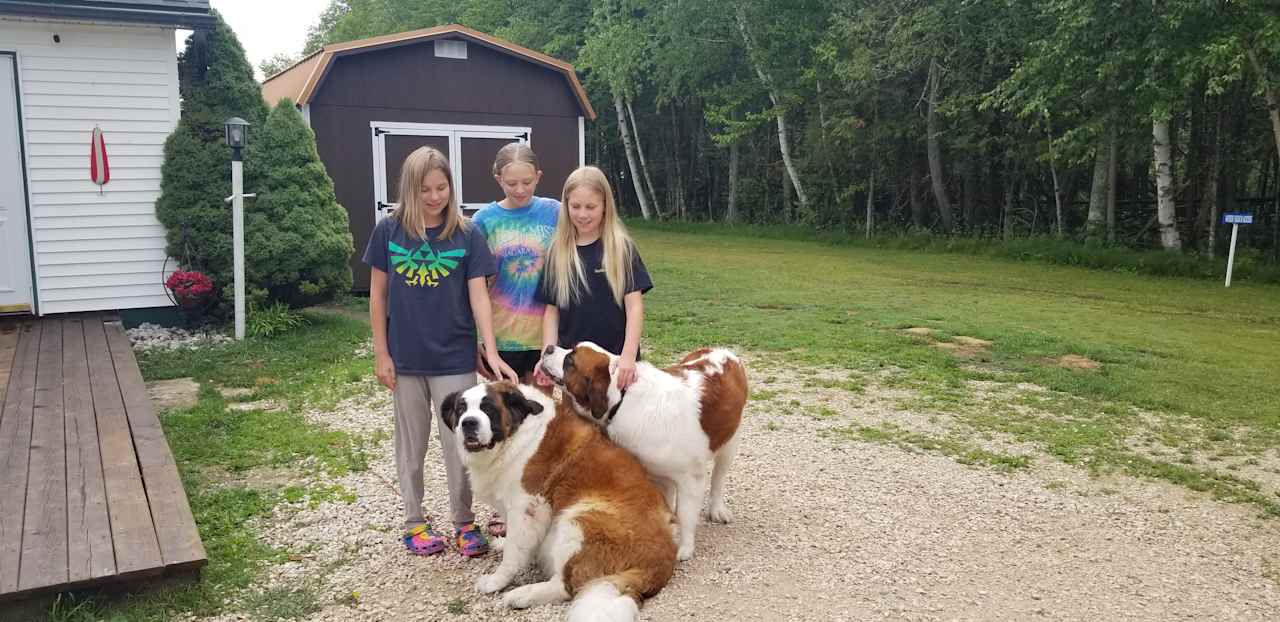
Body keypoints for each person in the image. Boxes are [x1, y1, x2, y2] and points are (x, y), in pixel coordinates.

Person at [363, 146, 516, 558]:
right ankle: (414, 522)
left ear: (451, 185)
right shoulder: (388, 231)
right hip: (407, 358)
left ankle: (464, 523)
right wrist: (382, 353)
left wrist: (491, 349)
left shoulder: (467, 234)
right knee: (410, 446)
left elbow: (479, 297)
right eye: (425, 189)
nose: (434, 197)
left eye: (441, 187)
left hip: (453, 357)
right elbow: (377, 297)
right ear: (409, 189)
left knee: (460, 445)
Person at [535, 166, 652, 390]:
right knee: (578, 424)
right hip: (575, 368)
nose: (582, 214)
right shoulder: (557, 252)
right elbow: (551, 311)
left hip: (617, 365)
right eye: (575, 206)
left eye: (591, 207)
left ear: (605, 206)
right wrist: (546, 359)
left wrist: (628, 357)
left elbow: (634, 306)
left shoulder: (621, 248)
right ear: (566, 205)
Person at [471, 143, 560, 385]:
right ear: (498, 179)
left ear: (538, 177)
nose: (520, 190)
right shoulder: (483, 221)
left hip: (546, 337)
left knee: (543, 414)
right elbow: (471, 287)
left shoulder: (555, 212)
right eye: (511, 184)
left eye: (527, 182)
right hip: (501, 338)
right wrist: (477, 341)